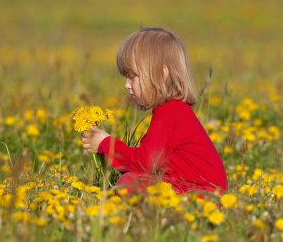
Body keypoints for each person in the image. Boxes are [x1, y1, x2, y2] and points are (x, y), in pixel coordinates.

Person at [81, 27, 227, 195]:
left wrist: (105, 144)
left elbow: (145, 164)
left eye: (132, 76)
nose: (126, 85)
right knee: (134, 180)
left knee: (129, 183)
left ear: (161, 74)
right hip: (199, 192)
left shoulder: (169, 113)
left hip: (202, 196)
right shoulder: (172, 110)